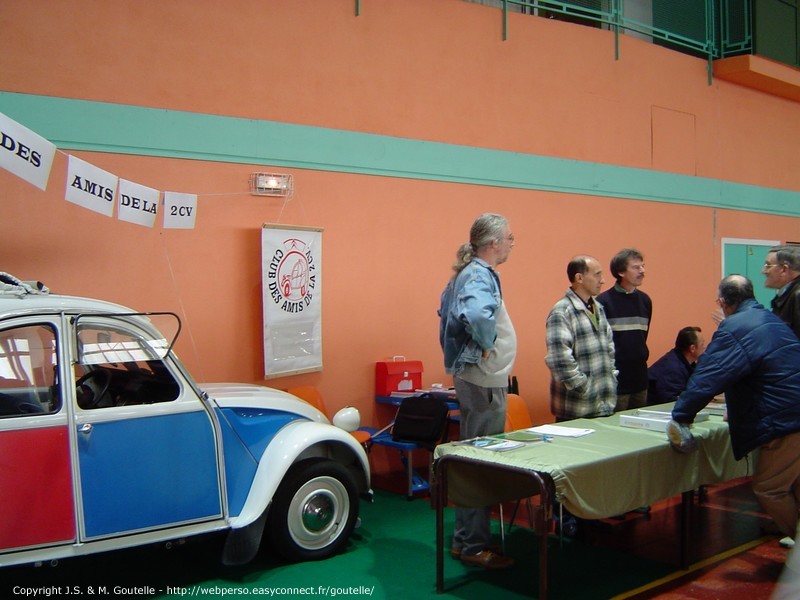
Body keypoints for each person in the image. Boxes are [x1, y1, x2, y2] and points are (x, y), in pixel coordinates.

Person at [668, 275, 800, 551]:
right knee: (794, 485)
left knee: (769, 487)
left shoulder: (735, 327)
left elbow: (708, 377)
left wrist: (682, 415)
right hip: (791, 411)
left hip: (785, 421)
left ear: (723, 302)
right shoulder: (771, 320)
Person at [438, 213, 517, 570]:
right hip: (484, 380)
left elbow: (446, 310)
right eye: (509, 238)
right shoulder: (477, 275)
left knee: (473, 458)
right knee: (481, 462)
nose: (512, 244)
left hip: (480, 379)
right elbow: (476, 315)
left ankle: (463, 541)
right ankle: (473, 545)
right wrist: (485, 344)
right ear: (494, 243)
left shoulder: (468, 274)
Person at [545, 256, 616, 421]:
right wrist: (585, 388)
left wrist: (612, 375)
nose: (603, 280)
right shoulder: (562, 311)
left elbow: (610, 348)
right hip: (576, 408)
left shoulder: (598, 308)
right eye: (597, 275)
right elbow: (559, 360)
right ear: (579, 278)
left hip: (603, 405)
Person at [597, 249, 652, 412]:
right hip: (616, 379)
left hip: (640, 378)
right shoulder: (603, 302)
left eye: (643, 266)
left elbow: (642, 338)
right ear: (621, 272)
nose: (642, 271)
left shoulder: (645, 300)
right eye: (636, 267)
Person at [646, 326, 705, 405]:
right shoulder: (673, 368)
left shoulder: (687, 363)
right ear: (692, 348)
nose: (705, 348)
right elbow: (671, 400)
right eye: (702, 344)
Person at [763, 244, 800, 338]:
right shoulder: (787, 294)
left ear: (784, 269)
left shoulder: (797, 295)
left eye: (768, 265)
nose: (763, 271)